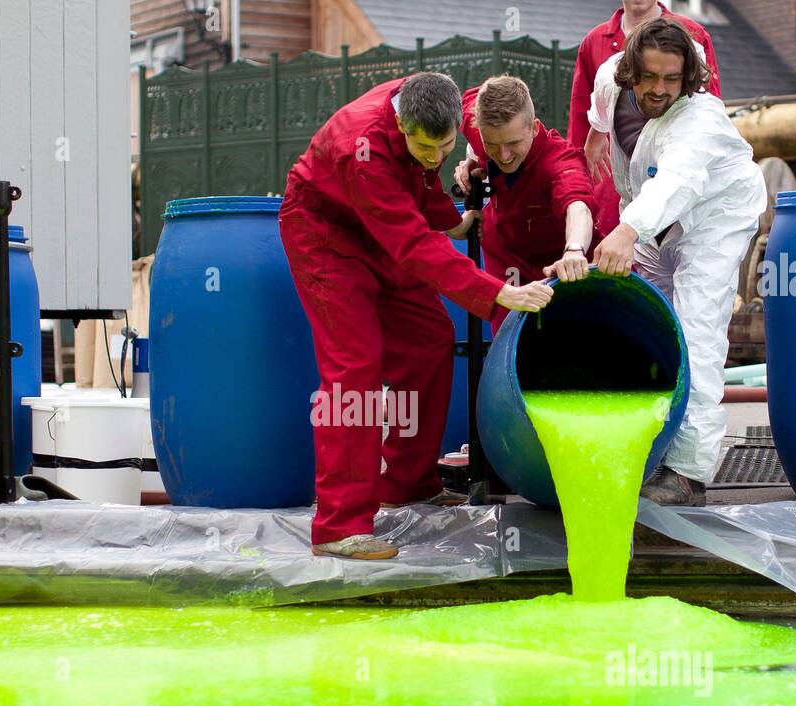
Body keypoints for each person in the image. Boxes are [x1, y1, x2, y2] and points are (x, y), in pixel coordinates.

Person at [280, 72, 554, 560]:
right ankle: (340, 525)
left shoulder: (432, 102)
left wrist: (454, 219)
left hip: (379, 228)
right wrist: (496, 293)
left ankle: (406, 482)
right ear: (401, 123)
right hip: (326, 237)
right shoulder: (360, 149)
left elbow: (420, 180)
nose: (434, 157)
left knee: (429, 338)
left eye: (444, 147)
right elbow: (410, 244)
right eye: (423, 146)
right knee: (354, 369)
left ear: (459, 126)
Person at [588, 18, 767, 506]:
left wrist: (627, 230)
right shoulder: (609, 78)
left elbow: (679, 181)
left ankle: (688, 472)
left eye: (673, 79)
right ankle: (628, 439)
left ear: (687, 78)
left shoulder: (698, 119)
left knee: (695, 332)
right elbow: (601, 118)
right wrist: (593, 138)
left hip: (715, 216)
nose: (661, 90)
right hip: (653, 216)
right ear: (630, 72)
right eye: (650, 78)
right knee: (633, 315)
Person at [451, 75, 598, 332]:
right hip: (506, 253)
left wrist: (574, 250)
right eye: (492, 145)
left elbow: (578, 206)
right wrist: (475, 156)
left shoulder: (560, 162)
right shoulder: (475, 121)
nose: (504, 156)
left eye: (513, 143)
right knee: (510, 337)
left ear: (534, 127)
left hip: (561, 263)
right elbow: (466, 98)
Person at [570, 0, 721, 243]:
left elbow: (708, 116)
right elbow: (581, 118)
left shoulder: (692, 35)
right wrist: (578, 190)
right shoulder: (594, 42)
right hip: (612, 192)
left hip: (678, 190)